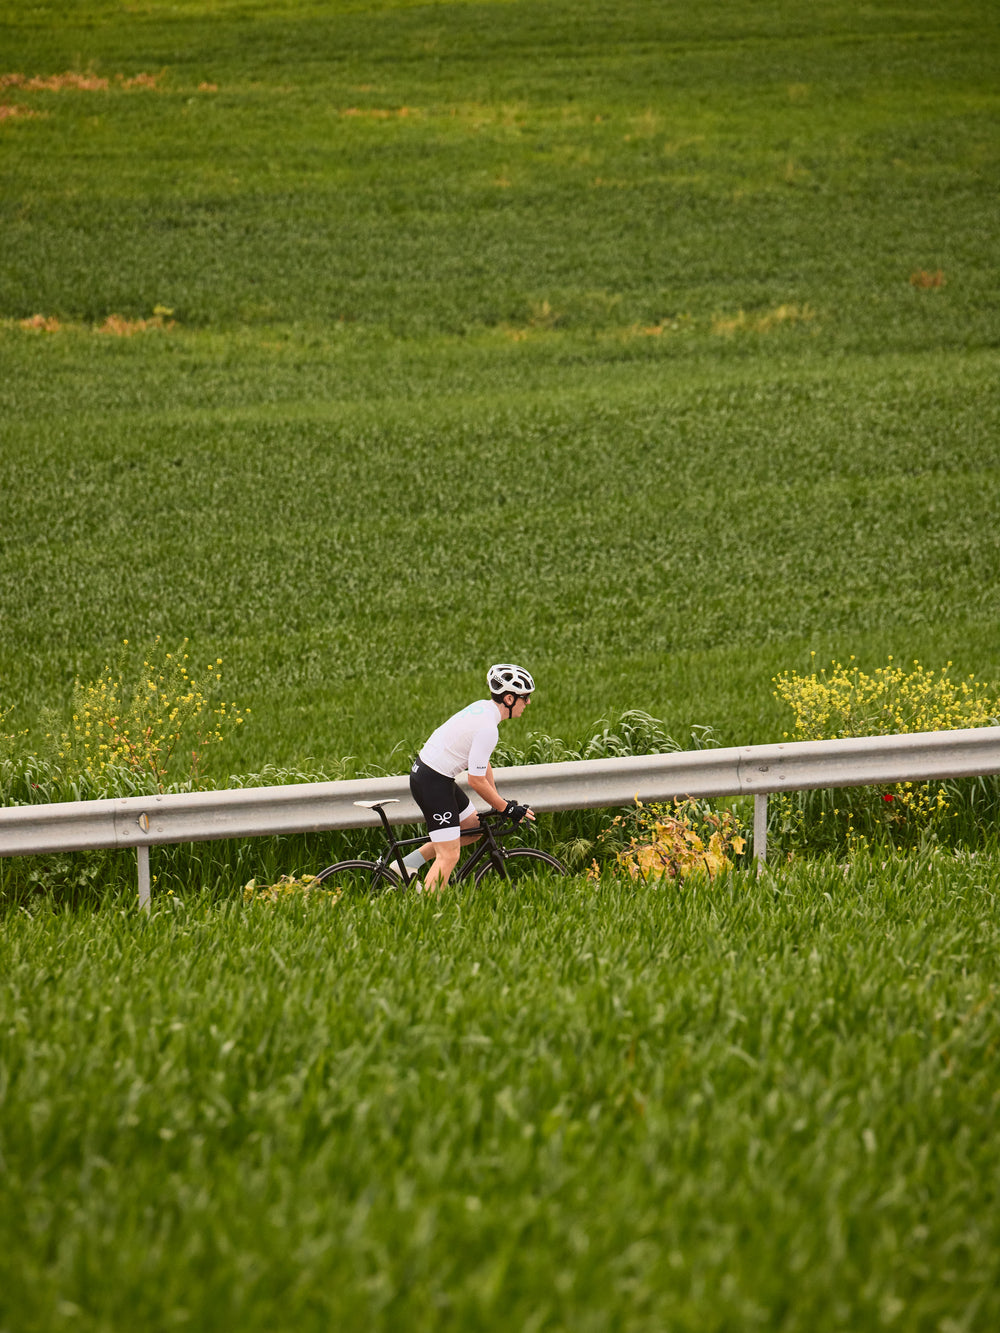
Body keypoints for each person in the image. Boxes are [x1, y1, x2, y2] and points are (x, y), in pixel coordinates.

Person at [397, 663, 536, 892]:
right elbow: (475, 780)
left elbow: (482, 763)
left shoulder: (484, 709)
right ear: (509, 699)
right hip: (433, 782)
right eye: (525, 697)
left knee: (473, 827)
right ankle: (425, 914)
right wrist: (507, 809)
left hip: (433, 775)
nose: (528, 702)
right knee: (449, 855)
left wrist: (498, 801)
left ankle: (408, 864)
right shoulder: (488, 728)